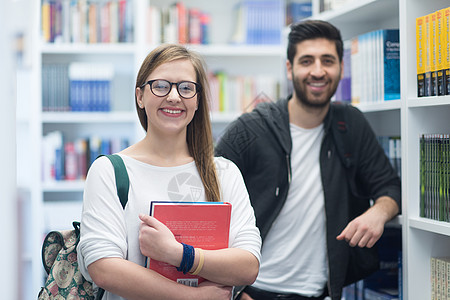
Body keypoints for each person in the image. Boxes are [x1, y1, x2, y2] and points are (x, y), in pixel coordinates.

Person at [215, 20, 401, 300]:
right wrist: (233, 291)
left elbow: (390, 187)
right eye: (307, 61)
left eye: (328, 60)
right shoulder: (250, 129)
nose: (318, 71)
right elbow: (207, 202)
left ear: (340, 67)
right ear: (290, 69)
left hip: (319, 293)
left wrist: (379, 212)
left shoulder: (351, 124)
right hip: (252, 290)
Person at [77, 44, 261, 300]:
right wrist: (193, 298)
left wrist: (179, 254)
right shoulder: (110, 171)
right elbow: (104, 268)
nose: (174, 97)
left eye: (185, 88)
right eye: (161, 86)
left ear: (197, 100)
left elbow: (248, 265)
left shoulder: (224, 173)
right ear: (140, 96)